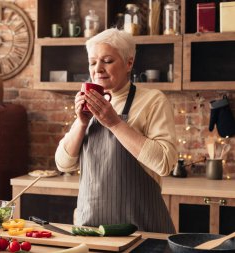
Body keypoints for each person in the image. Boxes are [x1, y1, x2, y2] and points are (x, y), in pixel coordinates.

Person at [55, 28, 177, 233]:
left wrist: (115, 124)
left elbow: (164, 163)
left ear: (129, 63)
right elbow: (63, 163)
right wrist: (81, 123)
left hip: (142, 230)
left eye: (107, 61)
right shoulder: (89, 104)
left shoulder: (152, 100)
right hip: (92, 229)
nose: (98, 69)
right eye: (93, 62)